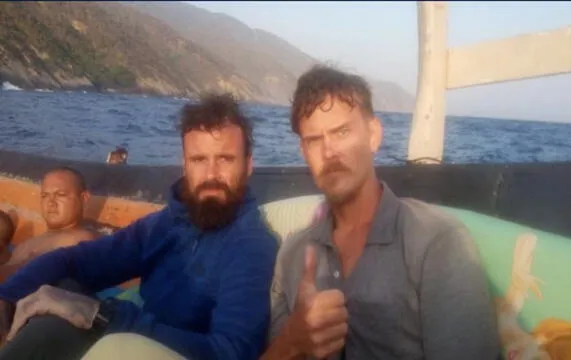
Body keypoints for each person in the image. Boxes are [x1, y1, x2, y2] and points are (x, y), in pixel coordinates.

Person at [0, 93, 279, 360]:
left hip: (161, 351)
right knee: (64, 286)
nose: (211, 175)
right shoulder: (167, 223)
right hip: (126, 339)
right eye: (199, 160)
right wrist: (6, 297)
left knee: (62, 311)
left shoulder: (250, 245)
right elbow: (75, 260)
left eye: (225, 159)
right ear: (185, 166)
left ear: (248, 165)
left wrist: (100, 315)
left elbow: (230, 352)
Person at [261, 65, 502, 360]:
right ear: (303, 152)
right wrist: (293, 341)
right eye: (314, 140)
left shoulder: (436, 243)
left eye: (342, 131)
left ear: (374, 134)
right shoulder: (292, 254)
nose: (329, 152)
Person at [1, 167, 99, 275]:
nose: (51, 202)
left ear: (84, 198)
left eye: (60, 194)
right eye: (45, 196)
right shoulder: (25, 245)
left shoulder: (80, 240)